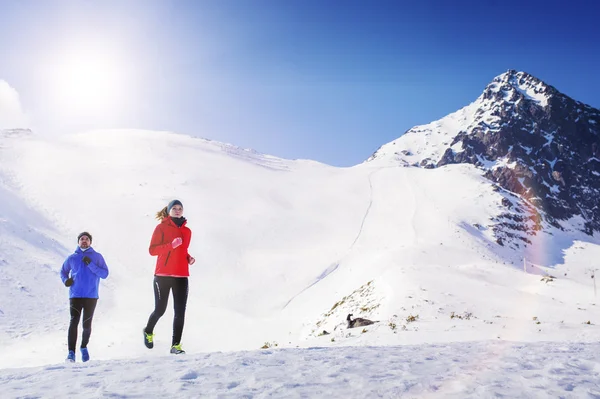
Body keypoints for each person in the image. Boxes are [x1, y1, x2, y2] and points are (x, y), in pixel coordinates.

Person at [143, 199, 195, 354]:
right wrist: (170, 245)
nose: (178, 210)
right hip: (162, 275)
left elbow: (182, 250)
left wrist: (188, 258)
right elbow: (152, 250)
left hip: (181, 275)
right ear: (169, 210)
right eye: (175, 208)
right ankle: (148, 330)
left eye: (180, 208)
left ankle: (175, 346)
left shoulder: (187, 231)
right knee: (160, 309)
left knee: (180, 311)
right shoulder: (161, 228)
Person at [60, 231, 109, 362]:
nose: (84, 240)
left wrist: (91, 264)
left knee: (86, 325)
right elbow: (63, 271)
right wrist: (66, 281)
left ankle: (83, 347)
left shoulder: (97, 257)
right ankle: (71, 353)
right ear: (78, 242)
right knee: (73, 322)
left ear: (90, 242)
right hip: (75, 295)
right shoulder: (72, 258)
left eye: (87, 239)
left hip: (91, 296)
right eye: (82, 239)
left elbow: (104, 274)